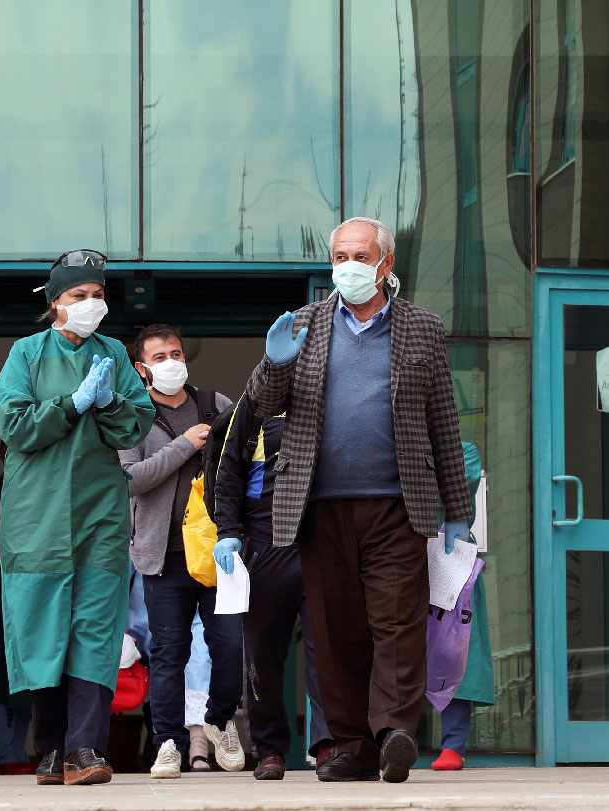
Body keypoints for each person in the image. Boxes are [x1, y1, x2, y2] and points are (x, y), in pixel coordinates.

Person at [246, 216, 472, 783]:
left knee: (396, 622)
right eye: (339, 255)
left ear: (385, 264)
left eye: (359, 255)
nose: (347, 265)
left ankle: (394, 730)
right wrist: (275, 362)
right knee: (334, 627)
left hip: (398, 502)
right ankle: (351, 745)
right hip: (318, 504)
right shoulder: (305, 323)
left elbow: (443, 418)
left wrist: (459, 511)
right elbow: (261, 404)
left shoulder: (422, 327)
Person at [0, 250, 155, 785]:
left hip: (99, 515)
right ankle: (50, 749)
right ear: (54, 303)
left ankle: (85, 750)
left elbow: (133, 429)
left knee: (94, 628)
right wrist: (72, 404)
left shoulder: (113, 353)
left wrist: (108, 403)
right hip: (34, 516)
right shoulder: (24, 353)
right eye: (78, 296)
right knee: (44, 629)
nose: (91, 304)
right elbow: (14, 427)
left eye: (97, 295)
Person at [118, 324, 240, 779]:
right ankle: (167, 741)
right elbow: (132, 479)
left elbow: (244, 467)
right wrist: (184, 445)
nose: (171, 362)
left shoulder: (216, 406)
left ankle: (220, 720)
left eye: (176, 353)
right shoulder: (130, 417)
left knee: (229, 646)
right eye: (160, 356)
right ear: (141, 368)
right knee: (170, 651)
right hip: (161, 555)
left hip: (217, 553)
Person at [212, 393, 334, 779]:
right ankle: (269, 750)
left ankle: (331, 744)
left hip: (323, 545)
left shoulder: (335, 392)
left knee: (329, 652)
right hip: (264, 545)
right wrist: (228, 531)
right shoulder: (253, 404)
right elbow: (227, 471)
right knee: (262, 657)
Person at [431, 441, 496, 770]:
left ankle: (453, 745)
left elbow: (457, 483)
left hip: (450, 559)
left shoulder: (464, 449)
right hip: (399, 553)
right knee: (396, 648)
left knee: (454, 649)